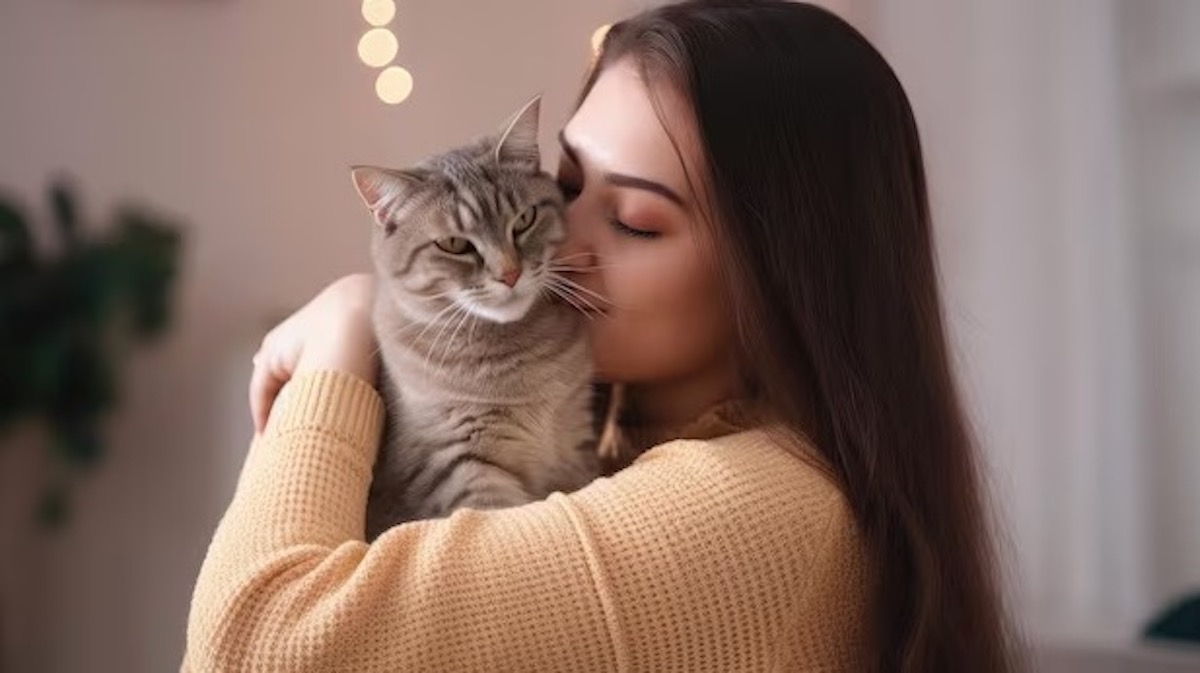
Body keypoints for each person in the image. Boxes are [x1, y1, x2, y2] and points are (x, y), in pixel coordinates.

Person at [184, 1, 1019, 670]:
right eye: (569, 181)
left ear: (782, 278)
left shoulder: (757, 511)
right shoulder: (625, 438)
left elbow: (248, 648)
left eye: (632, 220)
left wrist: (344, 332)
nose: (558, 240)